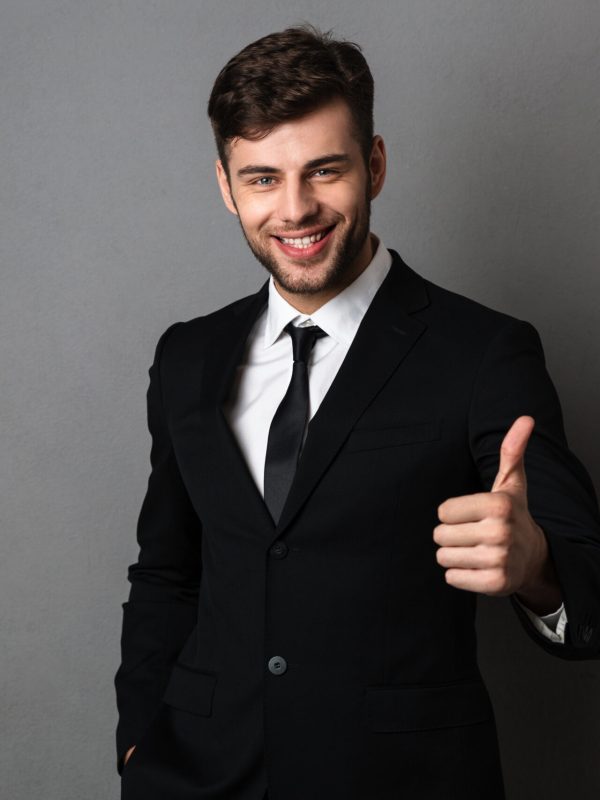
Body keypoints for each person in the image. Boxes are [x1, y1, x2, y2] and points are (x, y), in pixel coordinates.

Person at [114, 25, 600, 800]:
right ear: (225, 185)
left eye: (325, 171)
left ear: (373, 165)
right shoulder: (187, 357)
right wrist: (140, 742)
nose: (296, 209)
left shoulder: (485, 351)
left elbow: (591, 586)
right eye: (263, 178)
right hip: (196, 777)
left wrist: (537, 565)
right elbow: (168, 572)